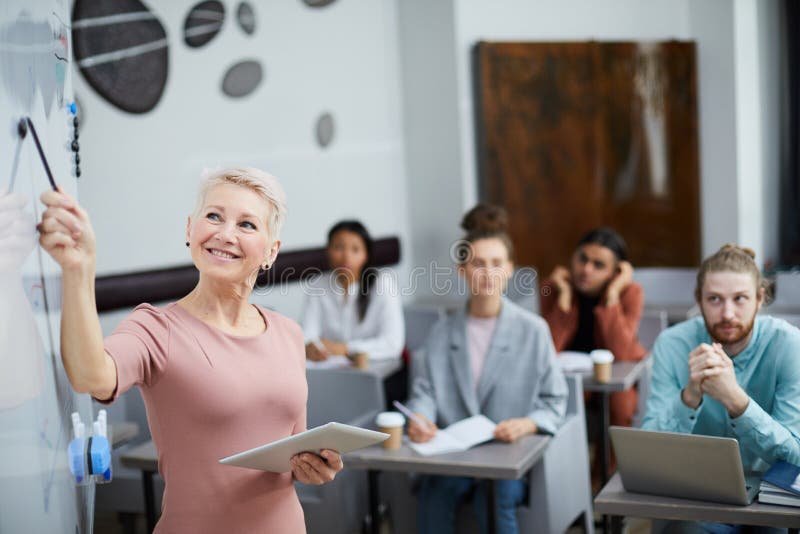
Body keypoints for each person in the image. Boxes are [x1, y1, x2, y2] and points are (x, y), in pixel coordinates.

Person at [37, 168, 343, 533]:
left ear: (271, 251)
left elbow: (293, 452)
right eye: (213, 216)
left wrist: (314, 466)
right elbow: (90, 375)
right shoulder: (156, 329)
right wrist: (78, 271)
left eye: (246, 225)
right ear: (189, 229)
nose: (225, 234)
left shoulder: (289, 334)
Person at [406, 204, 568, 534]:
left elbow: (555, 401)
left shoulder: (533, 330)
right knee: (434, 492)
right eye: (478, 264)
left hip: (510, 456)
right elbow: (424, 393)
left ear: (510, 269)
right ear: (461, 270)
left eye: (496, 264)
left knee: (494, 498)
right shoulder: (442, 332)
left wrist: (526, 424)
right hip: (457, 457)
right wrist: (420, 419)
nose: (488, 273)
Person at [643, 244, 800, 534]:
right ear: (698, 300)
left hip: (774, 497)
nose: (727, 313)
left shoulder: (789, 344)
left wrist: (736, 400)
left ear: (760, 298)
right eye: (714, 299)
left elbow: (796, 455)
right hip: (700, 499)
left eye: (740, 298)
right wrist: (690, 396)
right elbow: (648, 451)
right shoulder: (672, 343)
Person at [540, 227, 647, 427]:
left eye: (598, 265)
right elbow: (548, 349)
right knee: (560, 398)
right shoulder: (553, 287)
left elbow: (621, 351)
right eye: (582, 259)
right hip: (570, 375)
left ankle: (610, 460)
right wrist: (564, 299)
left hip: (614, 374)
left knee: (621, 404)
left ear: (615, 273)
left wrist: (613, 294)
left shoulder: (630, 292)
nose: (587, 269)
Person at [301, 220, 404, 362]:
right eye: (338, 247)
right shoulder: (317, 285)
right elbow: (308, 335)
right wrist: (310, 348)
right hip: (330, 369)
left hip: (376, 369)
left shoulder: (382, 284)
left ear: (365, 255)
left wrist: (345, 349)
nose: (346, 257)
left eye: (355, 249)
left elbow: (392, 344)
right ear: (328, 251)